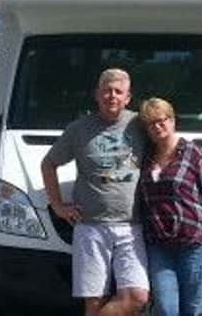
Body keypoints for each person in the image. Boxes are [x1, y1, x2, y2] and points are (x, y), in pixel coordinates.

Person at [41, 68, 149, 316]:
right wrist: (58, 205)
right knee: (94, 302)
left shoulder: (140, 124)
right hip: (91, 228)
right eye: (107, 91)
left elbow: (170, 148)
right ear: (97, 95)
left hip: (132, 227)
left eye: (118, 92)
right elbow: (49, 164)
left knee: (137, 297)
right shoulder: (79, 129)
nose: (112, 96)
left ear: (128, 97)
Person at [138, 97, 202, 316]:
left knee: (195, 310)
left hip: (194, 242)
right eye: (152, 123)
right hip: (159, 245)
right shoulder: (145, 158)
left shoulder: (194, 153)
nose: (158, 126)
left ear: (172, 120)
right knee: (166, 309)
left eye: (162, 120)